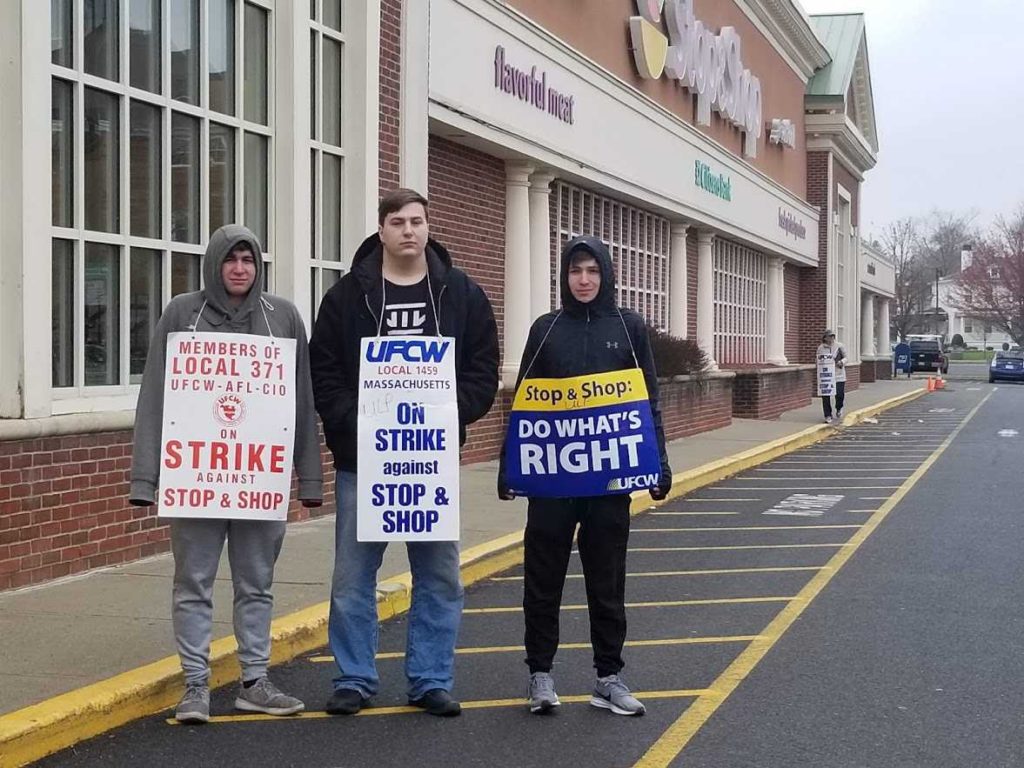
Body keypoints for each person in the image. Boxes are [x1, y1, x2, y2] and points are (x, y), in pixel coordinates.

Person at [309, 188, 499, 717]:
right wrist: (353, 420)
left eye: (417, 221)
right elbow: (323, 369)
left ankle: (431, 679)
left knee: (439, 574)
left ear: (428, 228)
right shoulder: (348, 297)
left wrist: (449, 413)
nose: (409, 231)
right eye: (398, 222)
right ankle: (353, 677)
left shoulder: (460, 293)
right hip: (361, 462)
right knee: (352, 577)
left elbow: (483, 367)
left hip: (429, 460)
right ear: (382, 230)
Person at [130, 224, 324, 724]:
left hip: (259, 479)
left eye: (248, 260)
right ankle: (195, 684)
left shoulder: (281, 317)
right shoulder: (181, 313)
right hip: (196, 479)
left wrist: (309, 478)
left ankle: (255, 681)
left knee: (256, 583)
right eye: (230, 259)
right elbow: (155, 395)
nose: (240, 269)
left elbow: (302, 399)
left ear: (259, 267)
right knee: (192, 581)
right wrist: (144, 478)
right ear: (215, 263)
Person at [498, 236, 672, 717]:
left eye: (593, 271)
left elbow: (648, 400)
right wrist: (508, 467)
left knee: (607, 581)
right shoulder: (545, 328)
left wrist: (659, 461)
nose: (584, 280)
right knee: (543, 579)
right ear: (564, 276)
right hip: (554, 481)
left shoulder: (628, 326)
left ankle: (609, 677)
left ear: (607, 274)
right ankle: (540, 674)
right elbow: (525, 401)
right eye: (576, 271)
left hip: (609, 484)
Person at [817, 329, 847, 424]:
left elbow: (846, 357)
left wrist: (841, 362)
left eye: (833, 336)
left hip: (839, 375)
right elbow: (818, 360)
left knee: (839, 394)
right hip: (826, 377)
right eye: (829, 336)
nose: (831, 338)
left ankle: (839, 408)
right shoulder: (821, 348)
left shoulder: (839, 346)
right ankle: (828, 415)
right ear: (825, 338)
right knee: (826, 396)